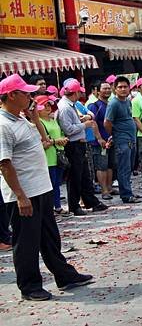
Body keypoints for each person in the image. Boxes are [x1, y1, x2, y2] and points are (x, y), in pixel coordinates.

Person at [0, 74, 94, 301]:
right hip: (24, 193)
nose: (30, 97)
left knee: (49, 238)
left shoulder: (21, 119)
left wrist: (33, 117)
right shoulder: (3, 125)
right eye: (26, 93)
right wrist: (20, 196)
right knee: (27, 243)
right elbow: (5, 164)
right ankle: (30, 286)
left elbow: (44, 141)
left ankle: (64, 274)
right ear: (12, 95)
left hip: (40, 188)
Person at [57, 79, 107, 216]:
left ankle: (91, 201)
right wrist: (85, 125)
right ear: (75, 92)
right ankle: (74, 206)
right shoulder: (65, 107)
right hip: (73, 144)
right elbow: (68, 129)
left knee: (85, 175)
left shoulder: (71, 105)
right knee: (75, 177)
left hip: (79, 143)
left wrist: (82, 120)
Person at [105, 76, 141, 203]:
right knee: (123, 168)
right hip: (122, 140)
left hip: (131, 139)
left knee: (129, 167)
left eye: (125, 87)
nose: (123, 89)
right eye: (120, 87)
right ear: (115, 89)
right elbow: (107, 122)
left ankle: (128, 191)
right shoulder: (113, 103)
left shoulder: (127, 101)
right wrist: (114, 135)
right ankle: (126, 195)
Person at [36, 95, 71, 217]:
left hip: (58, 156)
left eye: (49, 105)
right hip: (48, 157)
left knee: (57, 183)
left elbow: (60, 133)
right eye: (44, 105)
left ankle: (57, 206)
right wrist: (56, 141)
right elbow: (42, 141)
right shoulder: (38, 122)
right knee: (50, 184)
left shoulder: (53, 120)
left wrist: (63, 139)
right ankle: (49, 208)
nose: (47, 107)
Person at [87, 82, 116, 200]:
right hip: (100, 143)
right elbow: (93, 123)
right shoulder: (94, 106)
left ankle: (109, 188)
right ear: (97, 91)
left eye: (109, 88)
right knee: (101, 166)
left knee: (110, 165)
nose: (107, 91)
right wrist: (99, 138)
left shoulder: (110, 104)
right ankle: (104, 190)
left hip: (111, 141)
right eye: (104, 88)